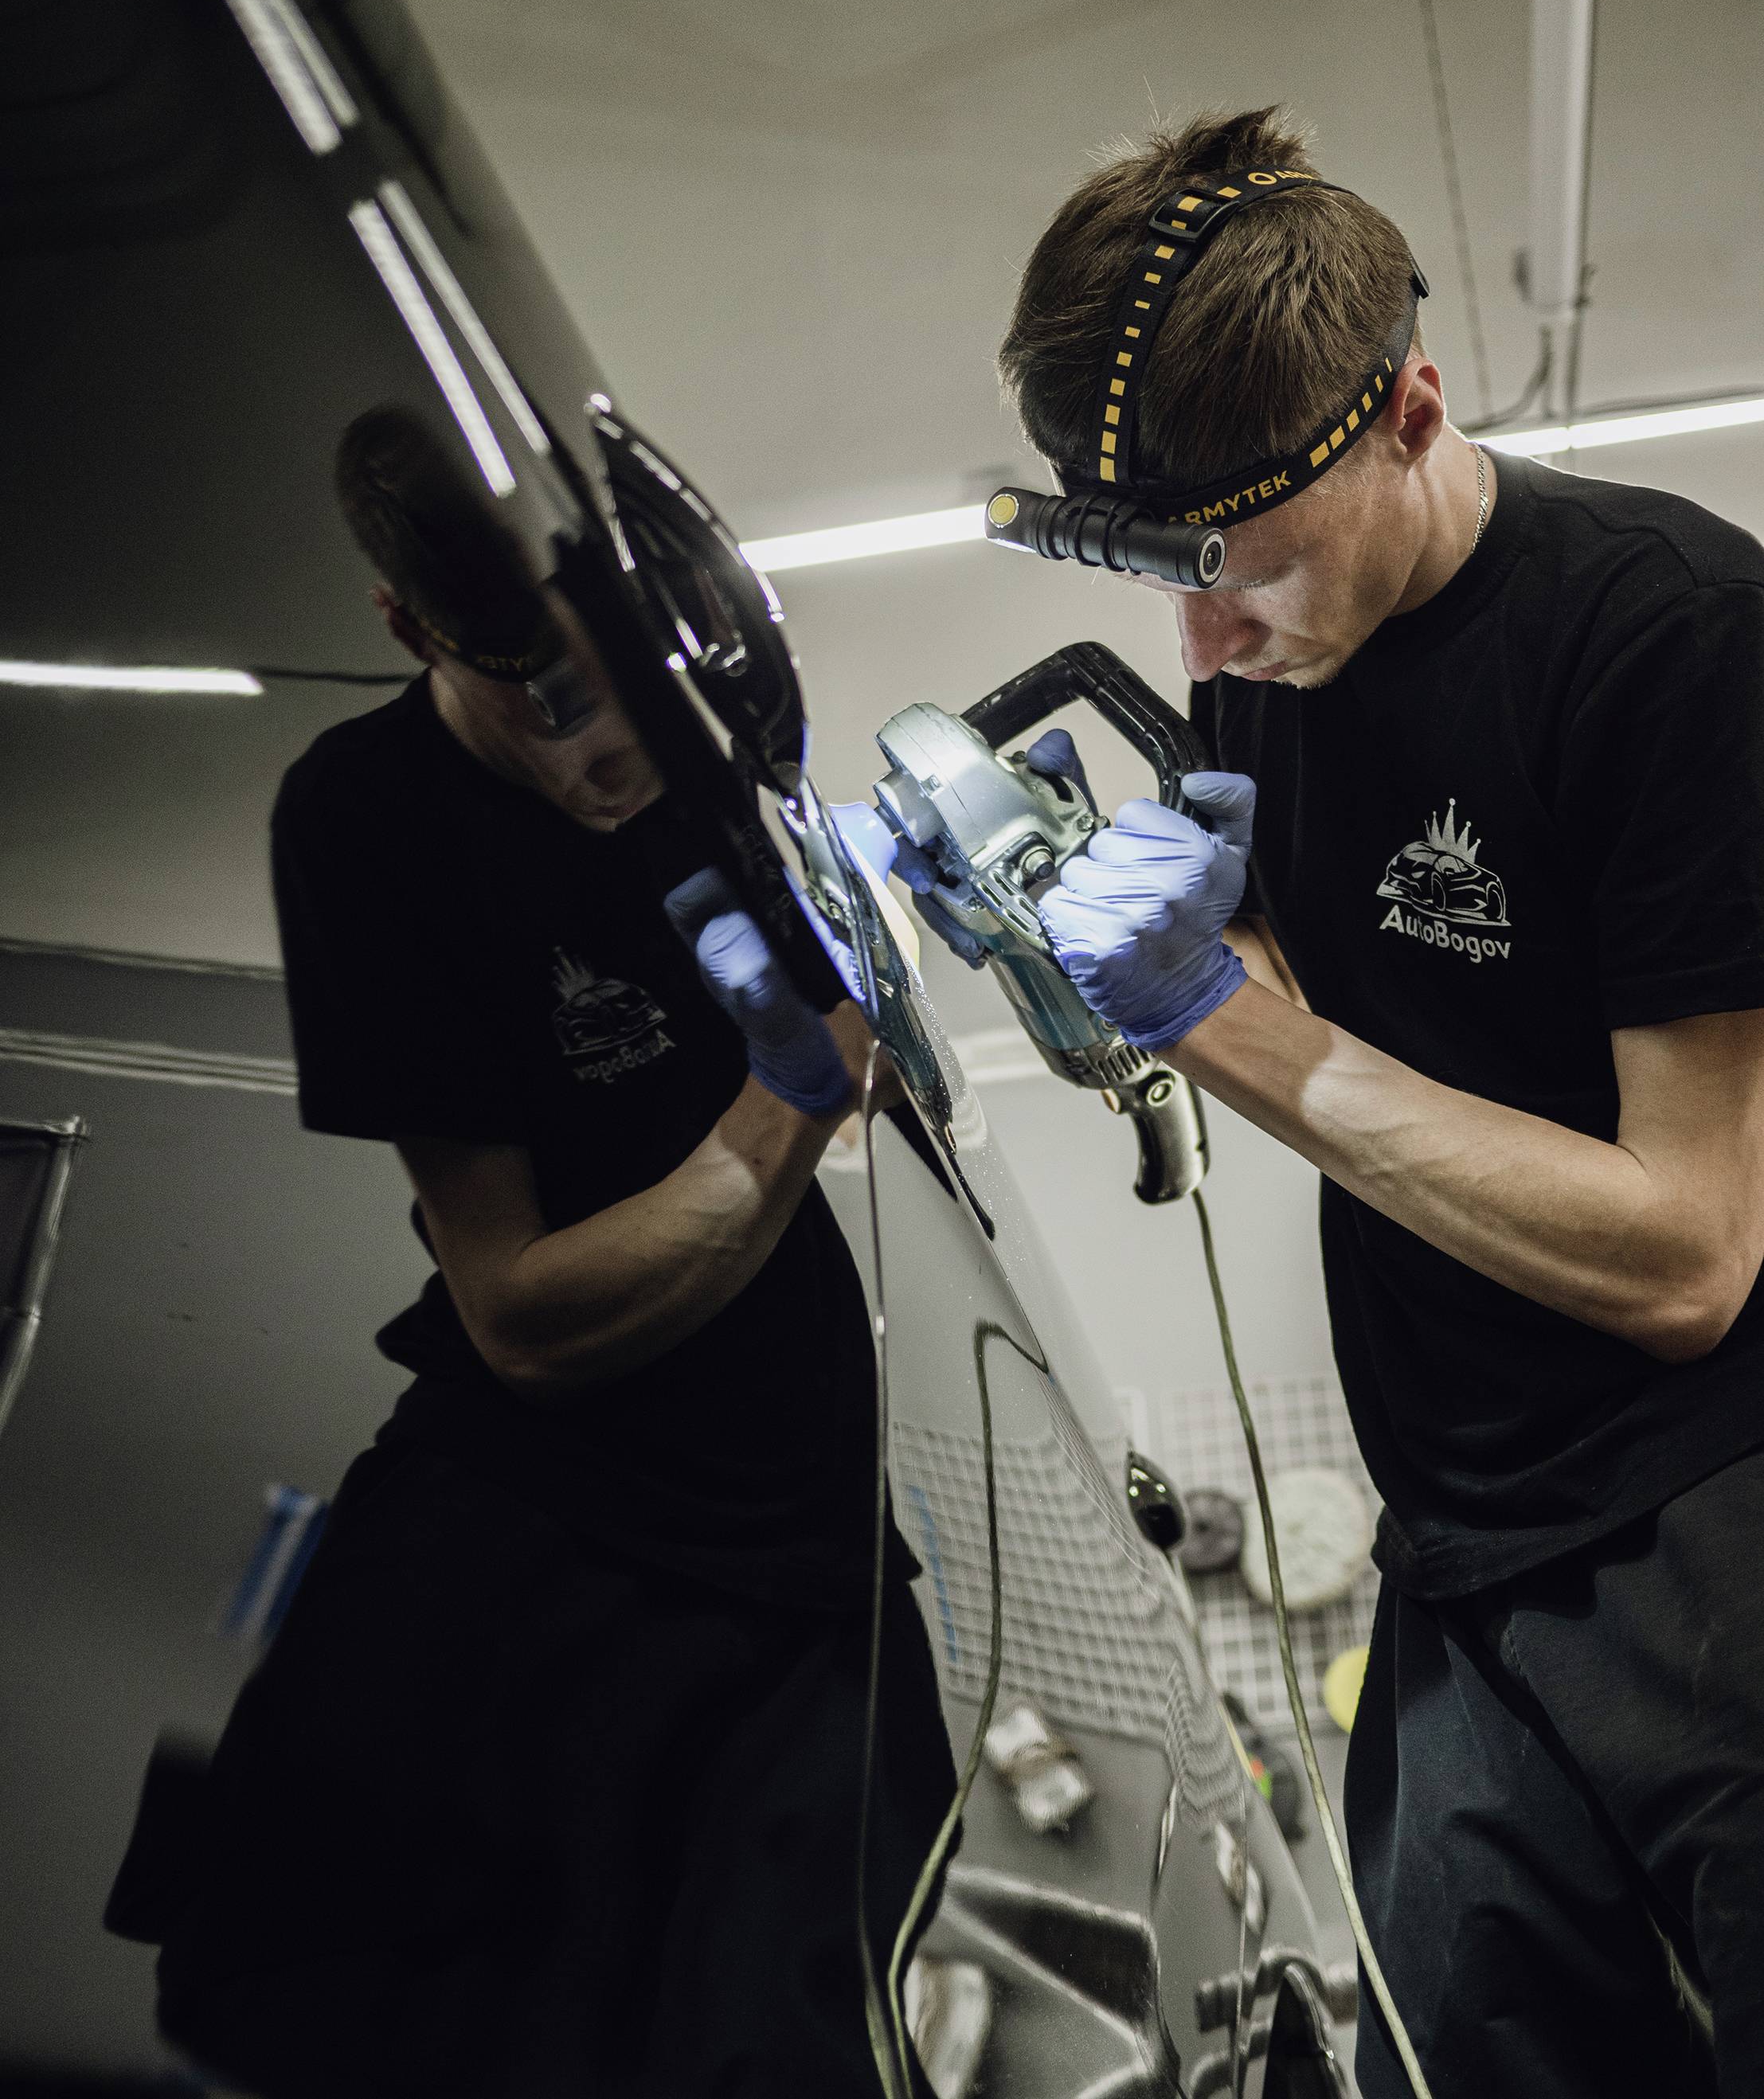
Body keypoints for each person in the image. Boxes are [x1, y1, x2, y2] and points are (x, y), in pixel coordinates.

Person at [991, 106, 1764, 2097]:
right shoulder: (1264, 663)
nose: (1201, 642)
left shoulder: (1669, 639)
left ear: (1411, 406)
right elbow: (1353, 1058)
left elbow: (1686, 1250)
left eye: (1246, 573)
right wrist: (1080, 944)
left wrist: (1225, 1025)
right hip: (1459, 1533)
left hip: (1713, 1504)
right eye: (1167, 584)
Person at [150, 405, 953, 2098]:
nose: (614, 751)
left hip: (804, 1544)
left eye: (635, 690)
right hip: (549, 1539)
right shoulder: (369, 818)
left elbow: (836, 1067)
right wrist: (788, 1101)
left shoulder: (710, 755)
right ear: (408, 628)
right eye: (552, 701)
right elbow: (516, 1309)